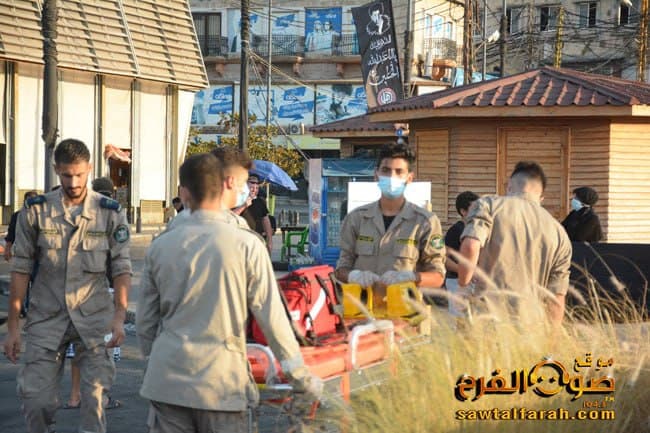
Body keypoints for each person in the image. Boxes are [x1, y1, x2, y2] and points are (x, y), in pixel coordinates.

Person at [137, 153, 322, 432]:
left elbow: (145, 322)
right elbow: (272, 319)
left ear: (184, 193)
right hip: (221, 383)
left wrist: (157, 361)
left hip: (167, 382)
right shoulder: (246, 244)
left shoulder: (161, 244)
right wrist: (300, 377)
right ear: (224, 185)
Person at [3, 138, 131, 433]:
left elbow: (122, 268)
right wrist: (13, 327)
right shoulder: (36, 211)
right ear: (56, 170)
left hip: (94, 317)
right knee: (36, 401)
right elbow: (21, 270)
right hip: (46, 316)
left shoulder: (109, 212)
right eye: (66, 175)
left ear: (90, 168)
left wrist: (119, 317)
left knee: (95, 401)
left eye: (79, 174)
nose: (73, 182)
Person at [458, 161, 572, 327]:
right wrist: (552, 339)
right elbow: (557, 297)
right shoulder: (558, 231)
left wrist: (463, 282)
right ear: (541, 196)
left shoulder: (488, 205)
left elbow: (470, 245)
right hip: (531, 325)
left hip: (486, 318)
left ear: (509, 186)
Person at [335, 143, 446, 299]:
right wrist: (354, 276)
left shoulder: (425, 222)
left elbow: (438, 276)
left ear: (409, 178)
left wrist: (411, 277)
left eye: (399, 172)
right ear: (376, 175)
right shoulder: (356, 218)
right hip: (362, 308)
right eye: (386, 171)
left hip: (405, 309)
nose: (392, 177)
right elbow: (341, 269)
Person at [65, 176, 122, 411]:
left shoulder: (77, 215)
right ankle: (100, 396)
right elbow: (119, 262)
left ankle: (74, 395)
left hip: (77, 291)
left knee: (78, 345)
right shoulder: (114, 216)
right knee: (103, 348)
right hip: (103, 290)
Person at [444, 191, 479, 317]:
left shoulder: (478, 229)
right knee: (459, 320)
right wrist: (464, 272)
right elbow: (444, 258)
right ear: (463, 211)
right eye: (475, 208)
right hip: (456, 281)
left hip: (476, 281)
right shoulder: (455, 230)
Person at [4, 190, 38, 318]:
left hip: (38, 257)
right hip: (22, 255)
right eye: (29, 200)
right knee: (21, 286)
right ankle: (23, 309)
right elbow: (11, 234)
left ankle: (30, 308)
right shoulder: (17, 215)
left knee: (36, 284)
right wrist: (7, 249)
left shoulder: (43, 216)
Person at [233, 174, 274, 253]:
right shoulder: (236, 200)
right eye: (251, 187)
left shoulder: (260, 201)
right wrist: (244, 206)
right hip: (239, 241)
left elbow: (265, 219)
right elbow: (230, 217)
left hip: (256, 240)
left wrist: (269, 240)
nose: (254, 190)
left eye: (257, 188)